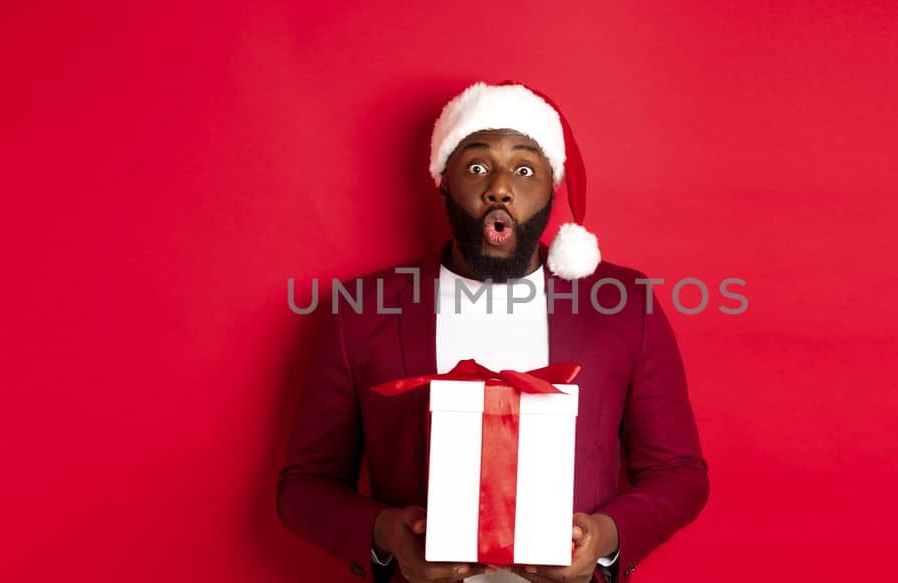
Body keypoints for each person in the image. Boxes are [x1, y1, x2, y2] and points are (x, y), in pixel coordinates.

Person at [277, 82, 708, 582]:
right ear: (442, 180)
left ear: (552, 188)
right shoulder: (362, 310)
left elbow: (680, 474)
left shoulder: (622, 303)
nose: (499, 187)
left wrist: (605, 538)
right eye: (477, 166)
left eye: (524, 169)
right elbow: (304, 487)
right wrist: (388, 534)